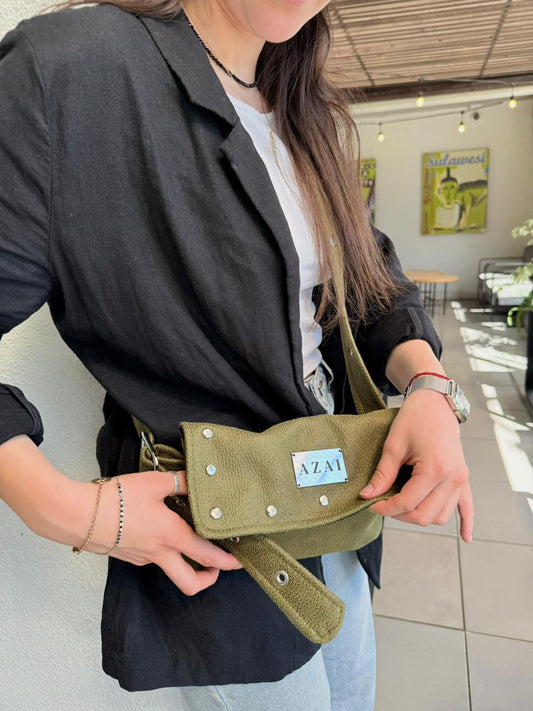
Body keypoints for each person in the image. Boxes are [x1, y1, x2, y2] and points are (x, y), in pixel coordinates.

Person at [0, 1, 473, 709]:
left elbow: (369, 276)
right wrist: (64, 510)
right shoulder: (73, 70)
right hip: (226, 555)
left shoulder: (303, 106)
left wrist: (429, 384)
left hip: (344, 506)